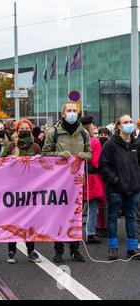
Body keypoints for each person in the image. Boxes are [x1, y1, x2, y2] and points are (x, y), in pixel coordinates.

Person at [42, 101, 92, 263]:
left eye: (74, 110)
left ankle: (75, 250)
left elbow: (89, 152)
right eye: (69, 110)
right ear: (63, 113)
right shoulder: (54, 132)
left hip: (77, 183)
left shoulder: (83, 133)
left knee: (75, 216)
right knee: (59, 216)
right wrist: (58, 154)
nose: (72, 113)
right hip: (58, 183)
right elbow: (45, 153)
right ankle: (58, 250)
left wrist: (85, 155)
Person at [99, 114, 140, 260]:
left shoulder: (136, 144)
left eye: (130, 121)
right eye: (126, 122)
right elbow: (103, 166)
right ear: (118, 126)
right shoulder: (110, 144)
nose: (129, 124)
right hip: (115, 189)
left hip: (133, 189)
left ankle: (132, 248)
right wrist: (115, 180)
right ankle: (112, 248)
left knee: (131, 217)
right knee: (112, 217)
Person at [1, 119, 42, 264]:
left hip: (30, 189)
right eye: (22, 128)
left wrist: (39, 161)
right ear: (17, 131)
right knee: (13, 220)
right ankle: (11, 251)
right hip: (13, 189)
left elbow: (44, 168)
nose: (24, 130)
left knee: (30, 220)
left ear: (31, 130)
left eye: (27, 128)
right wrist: (8, 160)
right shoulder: (11, 146)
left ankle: (31, 250)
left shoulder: (36, 147)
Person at [80, 116, 104, 244]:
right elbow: (96, 162)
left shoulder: (77, 140)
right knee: (93, 207)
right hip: (92, 178)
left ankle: (72, 232)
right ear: (90, 127)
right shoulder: (94, 141)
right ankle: (90, 232)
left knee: (77, 207)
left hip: (77, 176)